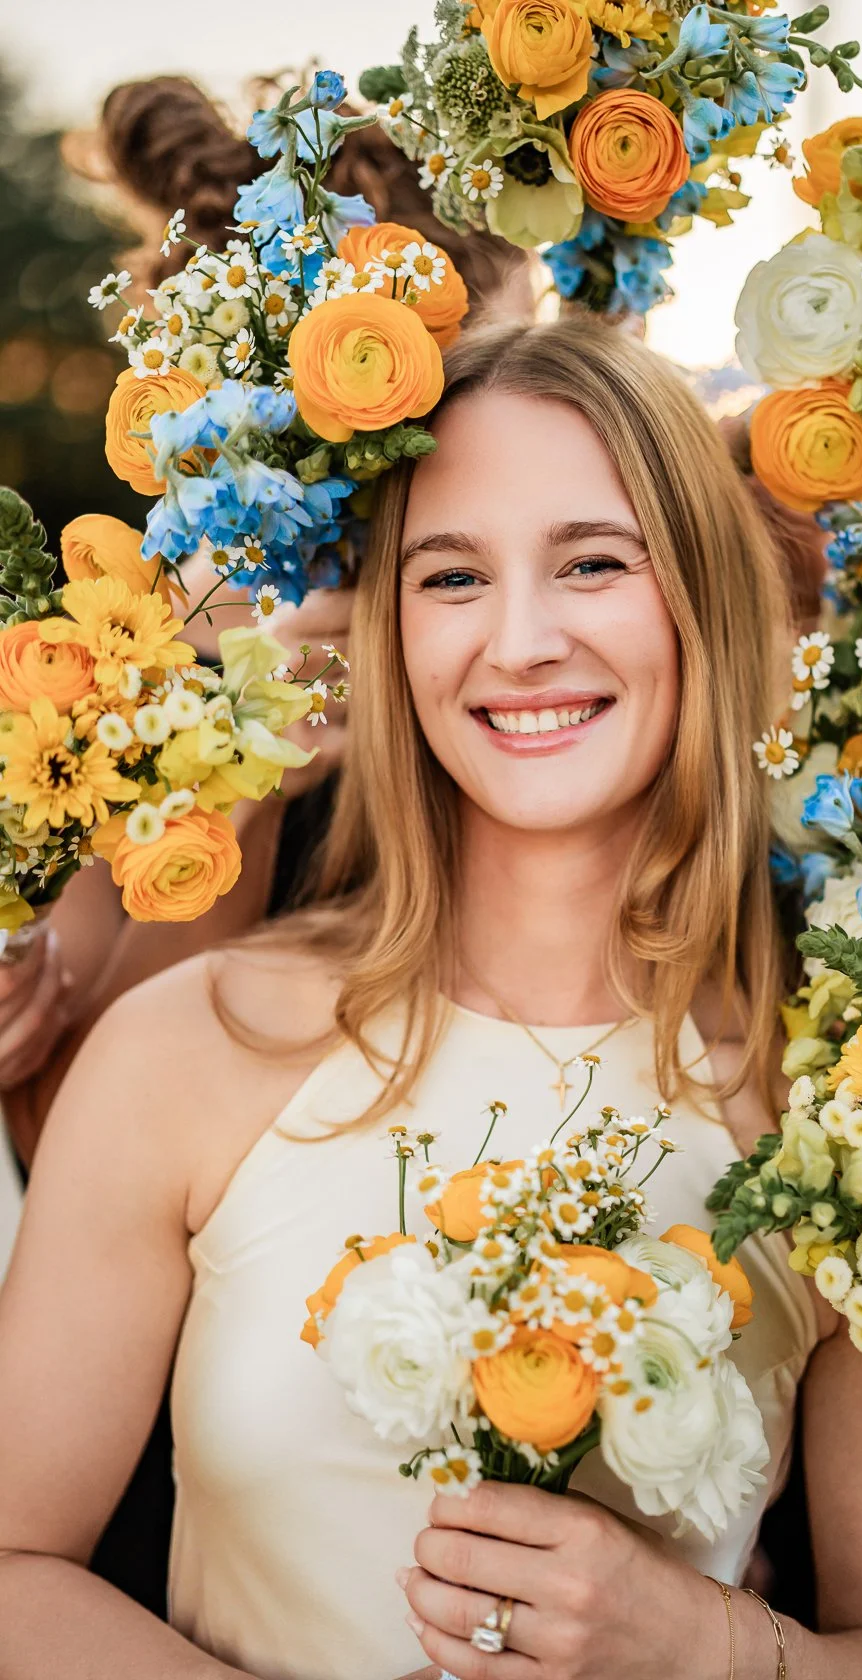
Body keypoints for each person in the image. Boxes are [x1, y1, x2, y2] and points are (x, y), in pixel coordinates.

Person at [0, 318, 862, 1680]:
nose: (521, 643)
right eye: (453, 576)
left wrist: (696, 1642)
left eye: (593, 563)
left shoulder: (855, 1122)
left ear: (702, 602)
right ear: (389, 630)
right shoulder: (194, 1047)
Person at [0, 73, 535, 1159]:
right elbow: (64, 1124)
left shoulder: (543, 650)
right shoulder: (141, 674)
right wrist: (251, 783)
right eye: (515, 350)